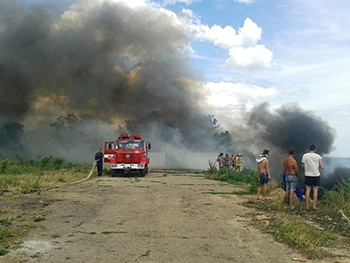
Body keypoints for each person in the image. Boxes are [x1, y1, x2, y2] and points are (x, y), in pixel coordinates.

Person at [301, 144, 324, 210]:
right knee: (315, 190)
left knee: (308, 190)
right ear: (315, 150)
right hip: (316, 175)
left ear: (309, 149)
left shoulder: (305, 156)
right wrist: (317, 166)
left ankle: (307, 206)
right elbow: (321, 166)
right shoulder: (318, 156)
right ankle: (314, 206)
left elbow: (303, 166)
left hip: (308, 175)